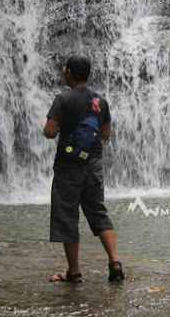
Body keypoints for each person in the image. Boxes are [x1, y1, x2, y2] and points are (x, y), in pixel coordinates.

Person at [43, 55, 124, 283]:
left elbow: (49, 131)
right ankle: (115, 262)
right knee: (97, 211)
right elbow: (106, 136)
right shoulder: (101, 101)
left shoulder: (63, 99)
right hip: (93, 163)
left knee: (67, 216)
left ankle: (74, 272)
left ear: (68, 71)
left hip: (68, 166)